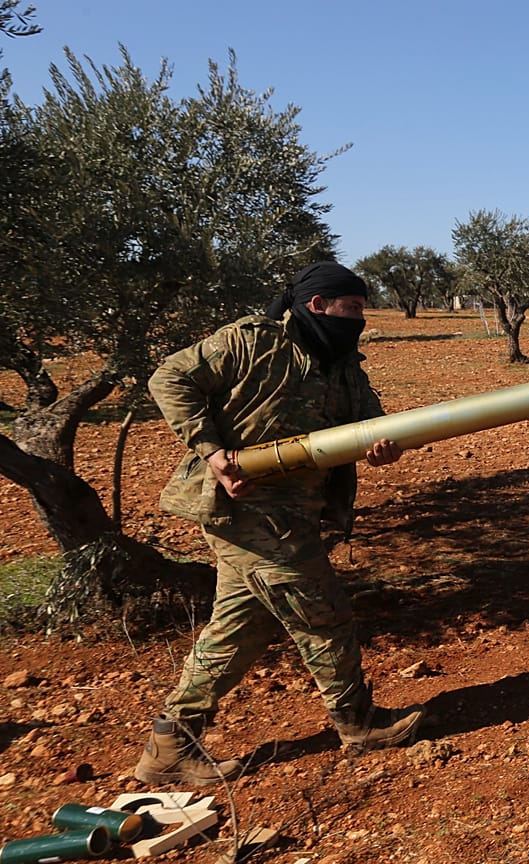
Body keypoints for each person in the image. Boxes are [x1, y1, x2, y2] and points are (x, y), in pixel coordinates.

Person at [134, 261, 423, 787]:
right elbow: (169, 378)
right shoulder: (252, 342)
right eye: (352, 308)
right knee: (322, 616)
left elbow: (369, 425)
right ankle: (358, 723)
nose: (359, 319)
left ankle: (171, 744)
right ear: (318, 305)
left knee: (240, 627)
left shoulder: (343, 363)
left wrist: (381, 447)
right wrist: (212, 451)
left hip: (297, 512)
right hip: (247, 508)